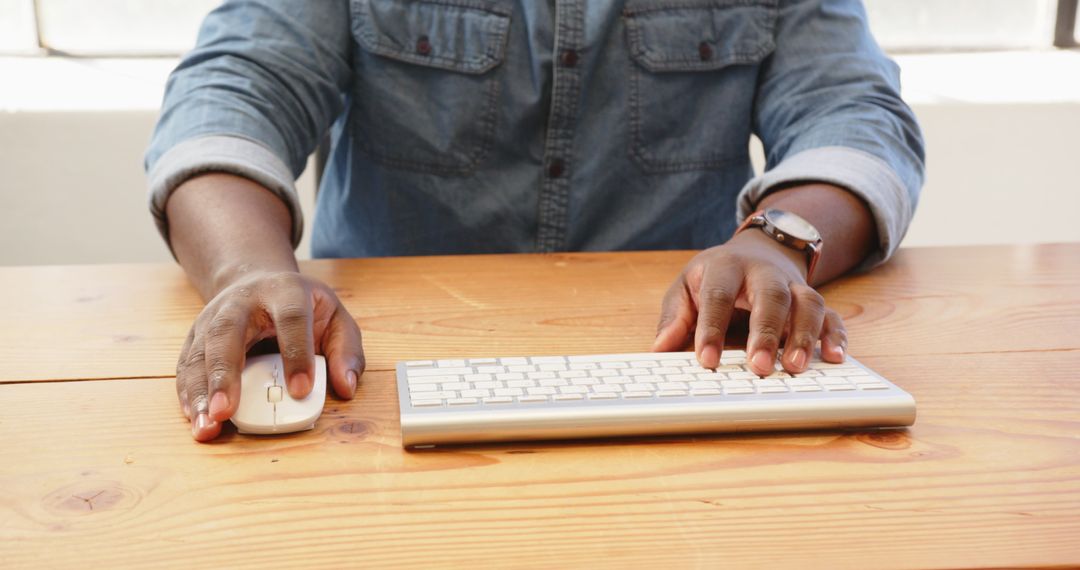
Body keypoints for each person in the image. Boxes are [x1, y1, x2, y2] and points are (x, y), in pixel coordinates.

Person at [146, 0, 925, 441]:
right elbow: (233, 91)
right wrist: (248, 270)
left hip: (696, 372)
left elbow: (854, 113)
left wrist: (779, 244)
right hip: (373, 381)